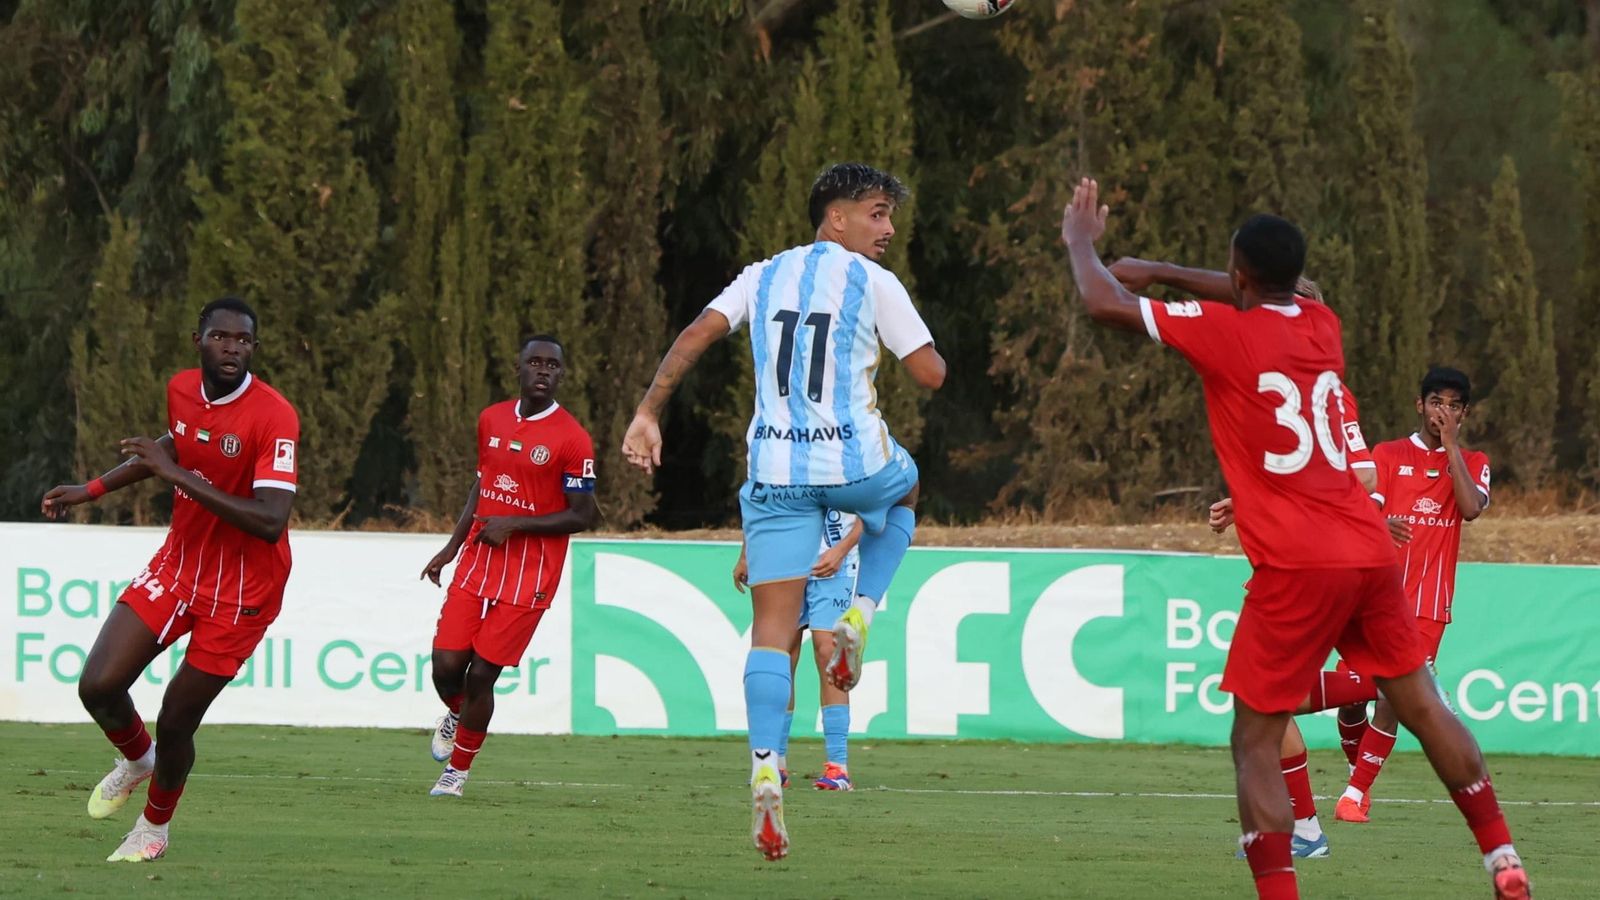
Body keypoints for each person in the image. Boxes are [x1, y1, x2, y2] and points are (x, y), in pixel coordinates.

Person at [1059, 179, 1528, 900]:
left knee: (1253, 739)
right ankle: (1501, 855)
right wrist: (1169, 270)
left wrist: (1082, 242)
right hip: (1370, 551)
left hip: (1296, 559)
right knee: (1425, 704)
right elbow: (1286, 285)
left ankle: (1283, 885)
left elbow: (1101, 302)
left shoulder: (1224, 330)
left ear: (1240, 276)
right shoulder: (1322, 323)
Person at [621, 162, 946, 860]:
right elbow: (931, 374)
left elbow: (696, 335)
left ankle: (766, 764)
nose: (888, 228)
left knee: (771, 632)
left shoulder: (760, 276)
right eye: (878, 212)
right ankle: (863, 607)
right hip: (855, 465)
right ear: (836, 216)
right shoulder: (875, 283)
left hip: (774, 470)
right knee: (908, 489)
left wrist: (649, 412)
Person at [1115, 260, 1379, 858]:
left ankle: (1380, 687)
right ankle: (1306, 827)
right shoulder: (1285, 386)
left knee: (1267, 699)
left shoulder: (1327, 391)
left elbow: (1361, 470)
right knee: (1268, 704)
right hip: (1301, 559)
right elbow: (1302, 468)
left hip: (1312, 565)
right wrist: (1247, 501)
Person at [41, 296, 299, 863]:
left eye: (243, 341)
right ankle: (138, 760)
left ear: (253, 348)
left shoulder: (274, 414)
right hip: (180, 565)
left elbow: (271, 518)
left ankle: (153, 828)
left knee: (177, 718)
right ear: (198, 340)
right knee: (98, 686)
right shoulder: (182, 389)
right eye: (221, 337)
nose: (232, 348)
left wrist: (175, 473)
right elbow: (175, 443)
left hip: (242, 594)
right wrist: (92, 489)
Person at [420, 335, 600, 798]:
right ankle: (458, 714)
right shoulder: (491, 419)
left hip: (532, 574)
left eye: (552, 366)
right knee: (445, 664)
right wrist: (450, 548)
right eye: (534, 362)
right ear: (518, 368)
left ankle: (457, 772)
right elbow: (479, 489)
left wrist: (516, 524)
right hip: (480, 558)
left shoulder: (573, 439)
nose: (543, 371)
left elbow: (584, 514)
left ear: (562, 375)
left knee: (482, 675)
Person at [1331, 366, 1490, 823]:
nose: (1444, 412)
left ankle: (1354, 794)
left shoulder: (1474, 462)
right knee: (1350, 696)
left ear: (1464, 413)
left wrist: (1452, 447)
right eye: (1437, 402)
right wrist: (1377, 524)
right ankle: (1358, 767)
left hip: (1426, 607)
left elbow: (1471, 508)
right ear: (1420, 405)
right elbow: (1354, 512)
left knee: (1394, 697)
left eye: (1454, 406)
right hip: (1371, 599)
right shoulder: (1386, 454)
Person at [734, 508, 864, 791]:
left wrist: (841, 550)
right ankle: (774, 763)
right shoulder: (779, 464)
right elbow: (760, 499)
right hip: (785, 566)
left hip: (834, 566)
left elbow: (873, 506)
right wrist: (746, 553)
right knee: (782, 652)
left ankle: (838, 766)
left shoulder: (850, 464)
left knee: (828, 651)